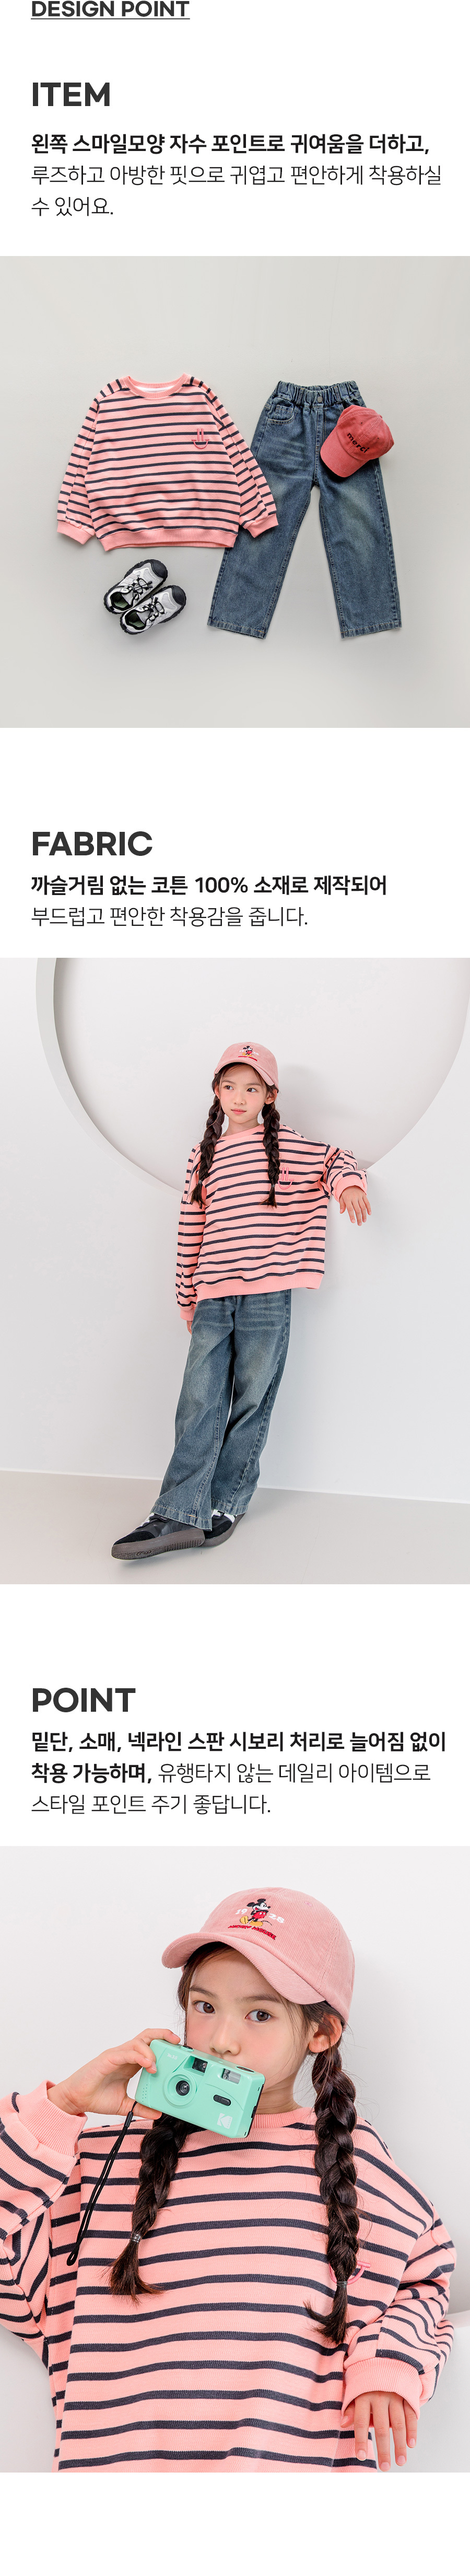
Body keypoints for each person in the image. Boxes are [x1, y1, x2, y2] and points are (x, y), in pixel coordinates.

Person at [0, 1884, 455, 2473]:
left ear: (321, 2032)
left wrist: (387, 2365)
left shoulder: (351, 2160)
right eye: (204, 2006)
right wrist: (64, 2105)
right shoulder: (101, 2161)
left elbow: (425, 2281)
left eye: (260, 2013)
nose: (221, 2040)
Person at [111, 1042, 371, 1559]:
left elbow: (333, 1158)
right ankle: (176, 1511)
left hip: (268, 1295)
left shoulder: (287, 1145)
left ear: (269, 1096)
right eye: (230, 1086)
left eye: (251, 1088)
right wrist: (186, 1295)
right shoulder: (203, 1155)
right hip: (213, 1293)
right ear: (216, 1090)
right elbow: (190, 1226)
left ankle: (226, 1503)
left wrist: (347, 1185)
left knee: (253, 1398)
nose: (239, 1097)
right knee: (199, 1400)